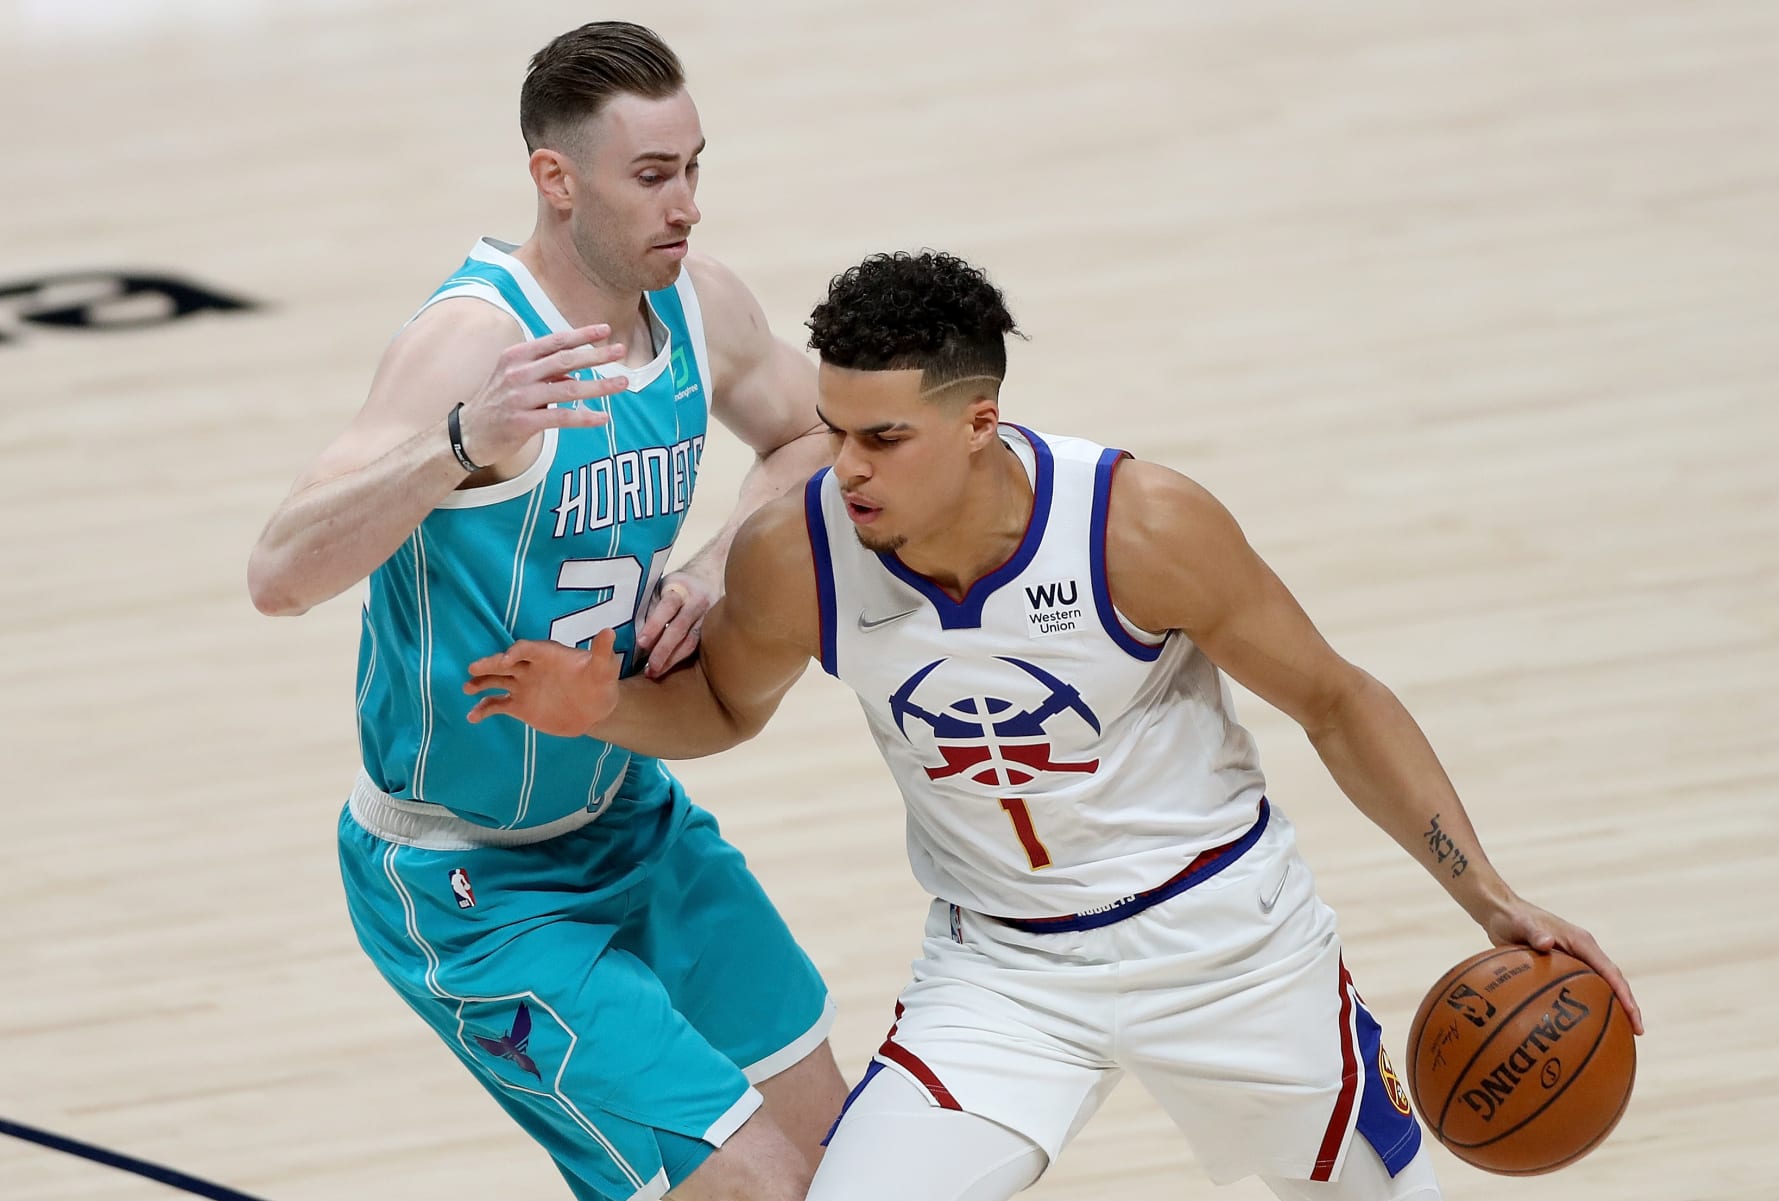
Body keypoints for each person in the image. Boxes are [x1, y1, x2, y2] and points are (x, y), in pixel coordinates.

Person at [461, 251, 1646, 1201]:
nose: (844, 469)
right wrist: (608, 705)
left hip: (1224, 945)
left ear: (979, 420)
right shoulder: (800, 555)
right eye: (832, 430)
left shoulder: (1141, 525)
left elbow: (1336, 700)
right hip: (1004, 970)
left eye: (883, 439)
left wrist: (1491, 898)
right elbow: (723, 705)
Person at [245, 21, 847, 1201]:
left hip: (632, 816)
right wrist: (458, 445)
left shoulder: (700, 306)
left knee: (851, 1166)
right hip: (470, 884)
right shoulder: (472, 340)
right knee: (756, 1190)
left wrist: (722, 556)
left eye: (693, 170)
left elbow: (816, 431)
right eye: (652, 177)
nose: (686, 207)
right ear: (555, 178)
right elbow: (280, 572)